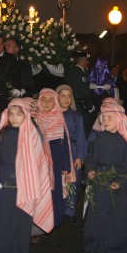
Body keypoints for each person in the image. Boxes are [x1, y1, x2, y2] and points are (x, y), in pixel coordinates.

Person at [0, 98, 54, 253]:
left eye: (18, 114)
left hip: (26, 187)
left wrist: (37, 183)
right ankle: (1, 250)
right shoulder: (2, 134)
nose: (14, 117)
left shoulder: (32, 134)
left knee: (21, 221)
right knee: (3, 219)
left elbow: (39, 161)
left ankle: (19, 252)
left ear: (26, 115)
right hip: (5, 185)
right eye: (11, 114)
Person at [83, 98, 127, 253]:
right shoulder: (100, 139)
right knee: (95, 217)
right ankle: (93, 247)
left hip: (117, 189)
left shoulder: (125, 143)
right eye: (103, 117)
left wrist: (119, 183)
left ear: (119, 119)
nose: (104, 121)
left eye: (109, 118)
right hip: (100, 184)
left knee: (115, 221)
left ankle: (116, 249)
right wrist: (91, 170)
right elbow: (91, 158)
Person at [36, 88, 73, 227]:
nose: (47, 103)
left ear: (55, 102)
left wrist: (65, 167)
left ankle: (53, 220)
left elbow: (64, 146)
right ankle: (39, 221)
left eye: (51, 100)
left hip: (56, 160)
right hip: (39, 160)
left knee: (54, 189)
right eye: (43, 100)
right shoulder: (35, 118)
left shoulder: (59, 119)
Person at [55, 84, 87, 223]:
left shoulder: (76, 116)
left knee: (73, 181)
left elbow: (80, 136)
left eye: (69, 96)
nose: (67, 99)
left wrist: (79, 156)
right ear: (57, 97)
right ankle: (58, 209)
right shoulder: (52, 115)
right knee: (57, 179)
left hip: (72, 151)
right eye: (63, 96)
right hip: (56, 152)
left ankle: (70, 210)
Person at [65, 50, 95, 136]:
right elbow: (85, 92)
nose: (87, 62)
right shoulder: (79, 73)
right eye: (86, 60)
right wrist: (90, 106)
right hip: (81, 107)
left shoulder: (72, 71)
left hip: (74, 105)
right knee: (82, 132)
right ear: (83, 60)